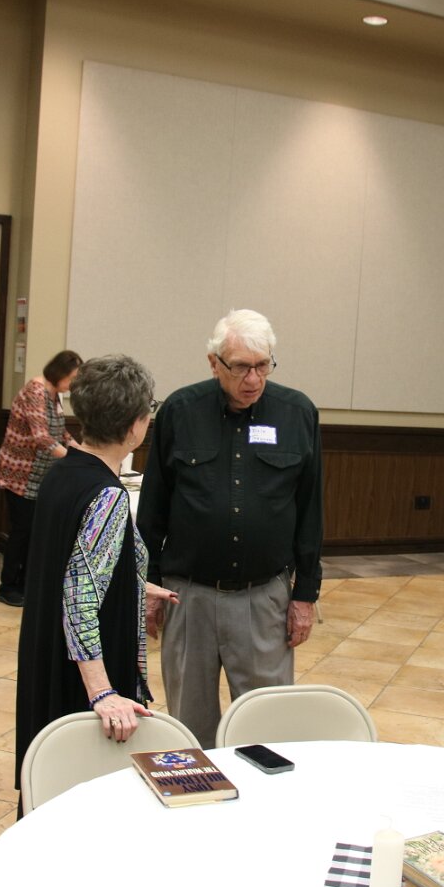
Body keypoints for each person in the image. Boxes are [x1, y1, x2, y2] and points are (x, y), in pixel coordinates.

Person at [137, 309, 324, 748]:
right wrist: (147, 585)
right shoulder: (180, 411)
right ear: (214, 362)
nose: (253, 379)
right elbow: (153, 508)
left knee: (266, 728)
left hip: (264, 597)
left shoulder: (297, 413)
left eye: (263, 365)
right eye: (241, 367)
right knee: (190, 726)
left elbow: (310, 509)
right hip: (189, 597)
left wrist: (305, 594)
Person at [14, 356, 180, 795]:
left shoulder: (63, 472)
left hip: (49, 654)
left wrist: (132, 583)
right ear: (134, 426)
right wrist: (103, 692)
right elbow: (79, 598)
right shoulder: (106, 495)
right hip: (81, 675)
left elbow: (68, 564)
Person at [0, 349, 83, 607]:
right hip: (20, 475)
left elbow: (60, 431)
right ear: (59, 372)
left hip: (39, 477)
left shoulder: (55, 395)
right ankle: (8, 586)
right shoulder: (36, 391)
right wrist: (72, 459)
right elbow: (42, 437)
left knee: (33, 533)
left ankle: (26, 584)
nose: (73, 384)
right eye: (72, 378)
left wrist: (80, 450)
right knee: (21, 532)